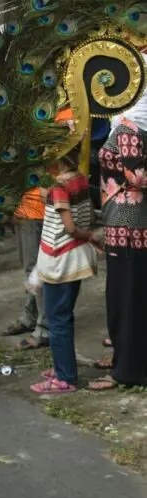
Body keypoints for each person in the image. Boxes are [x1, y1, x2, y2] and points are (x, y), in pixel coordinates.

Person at [89, 91, 147, 390]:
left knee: (126, 300)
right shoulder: (131, 125)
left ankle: (127, 370)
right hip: (125, 224)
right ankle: (126, 361)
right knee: (130, 298)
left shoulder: (128, 127)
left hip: (128, 225)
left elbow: (137, 176)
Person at [31, 153, 100, 395]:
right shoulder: (80, 179)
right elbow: (87, 213)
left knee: (57, 319)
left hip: (60, 258)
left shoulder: (58, 187)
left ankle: (66, 377)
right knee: (64, 317)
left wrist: (86, 234)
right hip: (76, 258)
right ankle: (63, 367)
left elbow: (69, 227)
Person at [2, 186, 48, 349]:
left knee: (37, 271)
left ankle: (44, 328)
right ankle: (31, 316)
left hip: (36, 209)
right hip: (28, 209)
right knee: (32, 271)